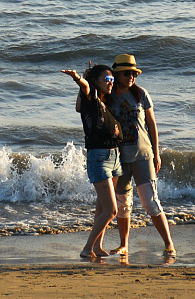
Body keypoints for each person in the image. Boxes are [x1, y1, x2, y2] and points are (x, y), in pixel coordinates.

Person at [107, 53, 176, 258]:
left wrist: (157, 153)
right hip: (119, 158)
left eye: (133, 73)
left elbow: (152, 124)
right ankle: (123, 245)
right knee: (123, 203)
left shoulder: (141, 94)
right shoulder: (108, 97)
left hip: (143, 155)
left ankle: (169, 244)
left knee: (150, 202)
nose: (131, 77)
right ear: (117, 75)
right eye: (126, 73)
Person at [61, 62, 123, 259]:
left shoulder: (104, 101)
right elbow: (85, 88)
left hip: (114, 157)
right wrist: (79, 79)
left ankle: (98, 247)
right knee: (112, 210)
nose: (111, 83)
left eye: (112, 79)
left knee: (102, 208)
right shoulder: (90, 97)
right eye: (107, 80)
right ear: (95, 81)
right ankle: (87, 248)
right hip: (99, 157)